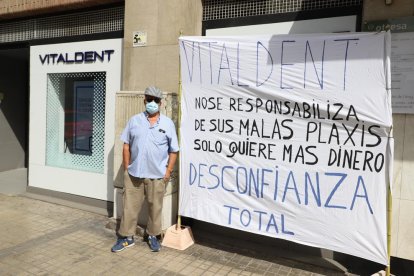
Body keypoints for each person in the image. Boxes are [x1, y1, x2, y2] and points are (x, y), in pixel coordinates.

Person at [111, 86, 179, 252]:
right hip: (134, 175)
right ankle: (127, 237)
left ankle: (153, 235)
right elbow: (126, 145)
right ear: (144, 101)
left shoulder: (168, 124)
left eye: (156, 100)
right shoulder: (134, 120)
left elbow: (174, 150)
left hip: (157, 176)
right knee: (129, 208)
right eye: (149, 99)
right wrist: (127, 168)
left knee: (155, 209)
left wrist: (168, 171)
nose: (152, 103)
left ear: (161, 103)